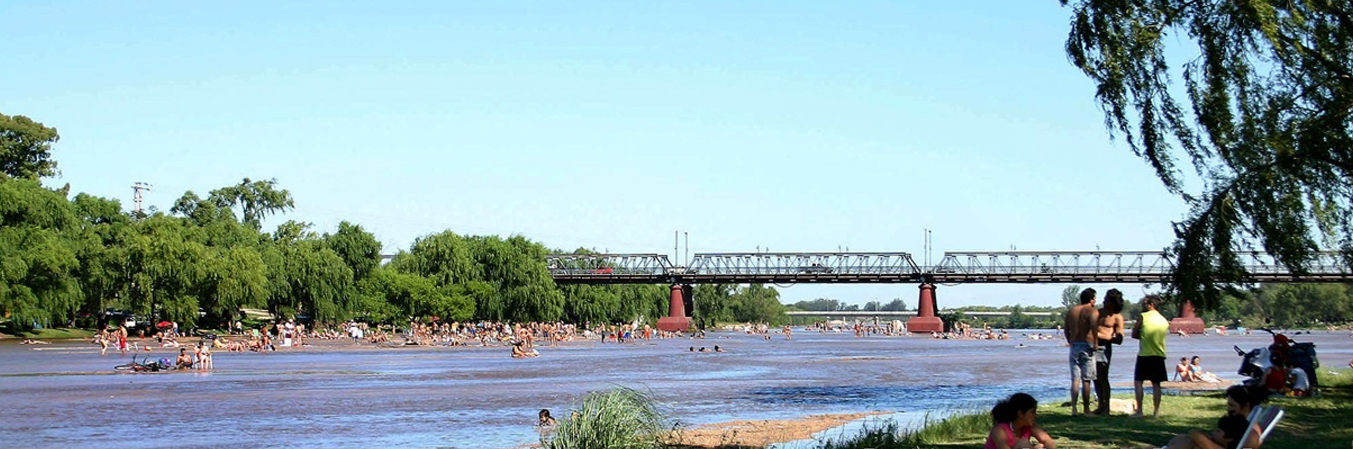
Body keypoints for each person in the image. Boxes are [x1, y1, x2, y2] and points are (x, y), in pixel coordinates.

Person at [1146, 385, 1266, 449]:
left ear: (1246, 406)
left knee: (1189, 441)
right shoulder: (1240, 424)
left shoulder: (1251, 434)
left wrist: (1200, 438)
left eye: (1232, 405)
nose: (1228, 409)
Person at [1063, 287, 1099, 416]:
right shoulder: (1092, 311)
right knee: (1086, 379)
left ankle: (1074, 409)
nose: (1095, 300)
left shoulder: (1072, 311)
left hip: (1074, 345)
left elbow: (1066, 329)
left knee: (1075, 379)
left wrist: (1070, 340)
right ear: (1091, 299)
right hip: (1087, 345)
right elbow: (1094, 327)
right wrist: (1095, 343)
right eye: (1095, 298)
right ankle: (1086, 410)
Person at [1132, 295, 1169, 418]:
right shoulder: (1164, 320)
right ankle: (1156, 412)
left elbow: (1134, 333)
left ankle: (1140, 411)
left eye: (1144, 303)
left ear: (1151, 304)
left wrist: (1141, 336)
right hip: (1159, 354)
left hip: (1144, 354)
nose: (1143, 306)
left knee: (1138, 382)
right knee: (1156, 384)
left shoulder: (1143, 317)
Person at [983, 392, 1056, 449]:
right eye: (1032, 412)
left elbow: (1048, 441)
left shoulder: (1028, 427)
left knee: (1040, 446)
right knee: (1024, 444)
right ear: (1020, 414)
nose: (1035, 416)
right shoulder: (1000, 430)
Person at [1093, 289, 1125, 415]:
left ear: (1112, 302)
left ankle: (1106, 407)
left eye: (1106, 300)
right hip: (1093, 347)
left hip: (1104, 348)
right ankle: (1100, 405)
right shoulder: (1097, 313)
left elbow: (1119, 339)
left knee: (1103, 377)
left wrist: (1099, 335)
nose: (1103, 301)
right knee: (1095, 377)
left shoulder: (1117, 317)